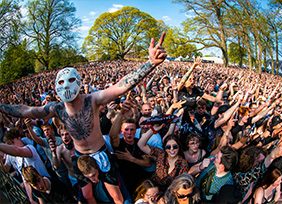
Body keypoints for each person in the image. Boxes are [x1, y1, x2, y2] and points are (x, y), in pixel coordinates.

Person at [0, 32, 167, 202]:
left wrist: (150, 63)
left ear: (79, 82)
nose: (66, 85)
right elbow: (26, 111)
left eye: (70, 80)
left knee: (116, 195)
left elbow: (121, 86)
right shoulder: (56, 108)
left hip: (100, 153)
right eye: (61, 82)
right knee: (87, 196)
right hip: (80, 157)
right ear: (56, 87)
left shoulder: (92, 100)